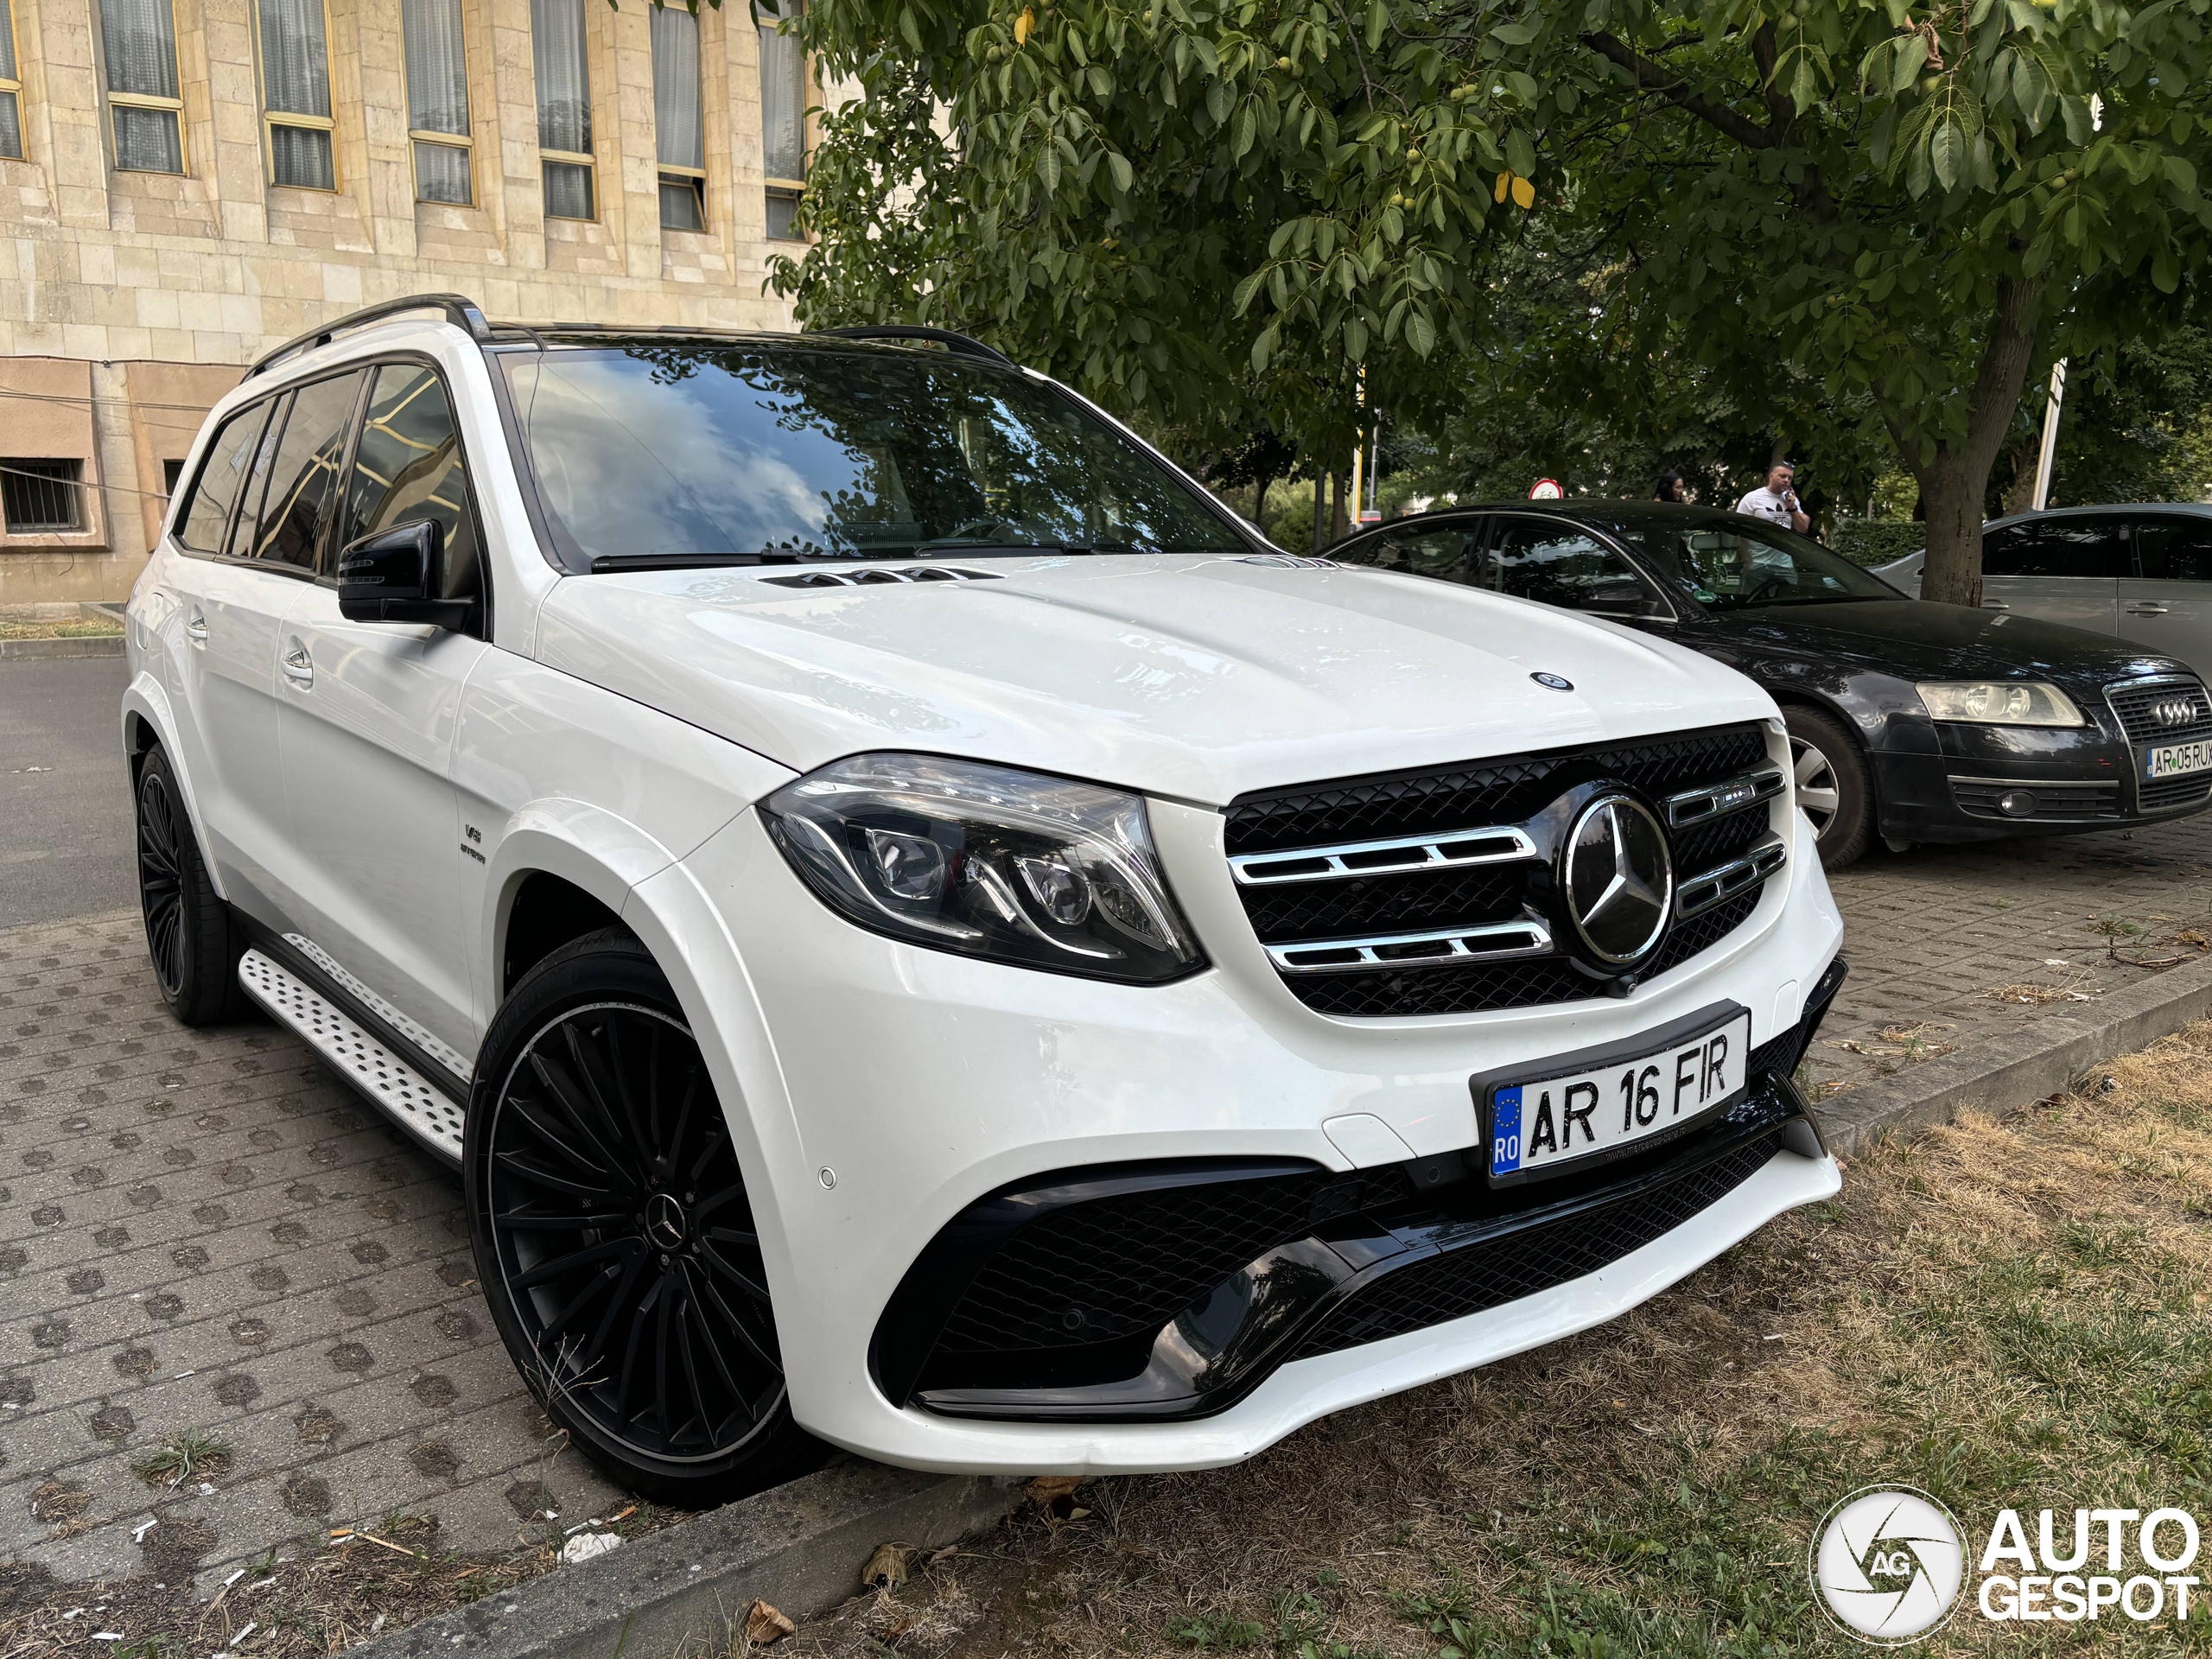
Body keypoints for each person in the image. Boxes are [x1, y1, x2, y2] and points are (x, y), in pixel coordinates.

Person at [1736, 461, 1810, 532]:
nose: (1786, 480)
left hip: (1781, 545)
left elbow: (1803, 529)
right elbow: (1739, 525)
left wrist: (1792, 508)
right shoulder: (1753, 498)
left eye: (1789, 478)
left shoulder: (1791, 499)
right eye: (1783, 476)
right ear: (1771, 476)